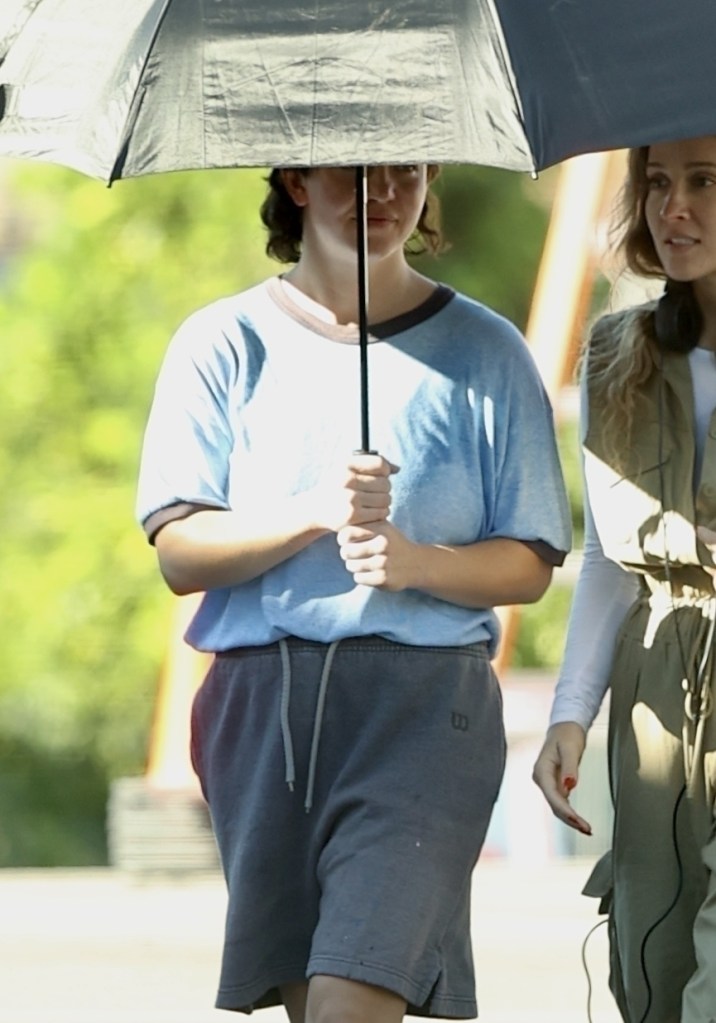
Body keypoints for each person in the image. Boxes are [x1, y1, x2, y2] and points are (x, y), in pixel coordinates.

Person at [137, 163, 571, 1023]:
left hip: (426, 715)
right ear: (296, 182)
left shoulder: (488, 351)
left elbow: (531, 558)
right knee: (313, 1004)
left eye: (404, 169)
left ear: (430, 178)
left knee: (349, 1002)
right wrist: (310, 512)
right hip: (260, 712)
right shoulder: (220, 342)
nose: (380, 191)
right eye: (351, 171)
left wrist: (415, 562)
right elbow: (180, 551)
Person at [533, 135, 716, 1023]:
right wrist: (570, 714)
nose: (673, 206)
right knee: (657, 959)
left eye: (704, 182)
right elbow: (607, 552)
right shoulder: (619, 353)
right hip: (655, 700)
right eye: (657, 183)